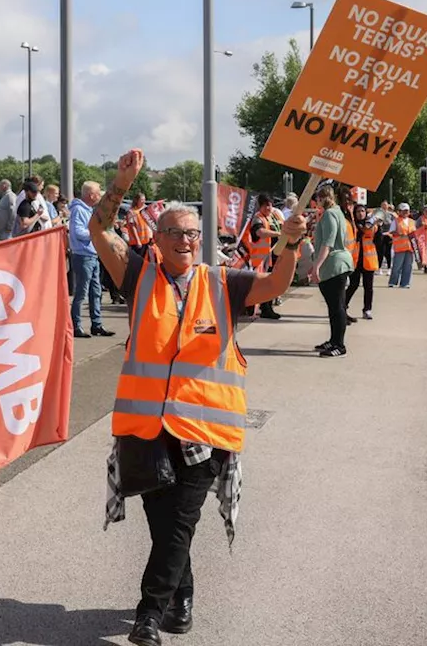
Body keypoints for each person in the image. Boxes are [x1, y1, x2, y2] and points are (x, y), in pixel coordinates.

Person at [92, 149, 306, 646]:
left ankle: (149, 613)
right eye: (175, 233)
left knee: (180, 521)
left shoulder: (222, 282)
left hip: (205, 433)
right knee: (166, 525)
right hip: (145, 431)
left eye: (192, 233)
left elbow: (276, 282)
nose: (185, 240)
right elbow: (100, 232)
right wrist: (120, 183)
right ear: (158, 240)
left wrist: (290, 244)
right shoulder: (137, 274)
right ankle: (182, 597)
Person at [308, 186, 354, 357]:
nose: (316, 203)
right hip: (338, 263)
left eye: (317, 199)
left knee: (336, 307)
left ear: (321, 198)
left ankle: (339, 345)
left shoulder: (329, 214)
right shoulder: (337, 212)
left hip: (334, 264)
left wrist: (316, 267)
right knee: (336, 306)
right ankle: (334, 340)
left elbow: (328, 242)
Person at [68, 181, 115, 339]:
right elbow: (77, 232)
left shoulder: (87, 210)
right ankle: (76, 325)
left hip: (92, 255)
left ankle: (97, 324)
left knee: (96, 291)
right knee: (82, 292)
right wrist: (95, 233)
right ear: (90, 195)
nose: (99, 197)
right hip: (83, 255)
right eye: (97, 194)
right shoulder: (79, 210)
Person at [241, 195, 283, 320]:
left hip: (271, 257)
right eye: (266, 205)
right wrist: (278, 234)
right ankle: (261, 308)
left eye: (270, 205)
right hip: (259, 259)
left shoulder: (273, 217)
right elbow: (259, 232)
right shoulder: (257, 219)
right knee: (259, 285)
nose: (269, 208)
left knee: (269, 284)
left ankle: (266, 307)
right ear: (260, 206)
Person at [345, 203, 379, 320]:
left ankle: (367, 309)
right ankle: (343, 306)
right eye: (358, 211)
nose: (360, 213)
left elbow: (379, 240)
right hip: (355, 260)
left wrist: (376, 223)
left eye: (363, 211)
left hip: (368, 260)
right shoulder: (353, 225)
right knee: (353, 285)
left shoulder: (372, 225)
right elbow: (359, 234)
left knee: (368, 287)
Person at [389, 203, 416, 289]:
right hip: (400, 247)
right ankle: (393, 282)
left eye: (407, 211)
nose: (405, 212)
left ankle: (405, 283)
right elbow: (391, 231)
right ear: (399, 211)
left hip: (410, 247)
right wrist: (399, 233)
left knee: (408, 266)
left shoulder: (412, 221)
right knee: (397, 266)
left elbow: (415, 233)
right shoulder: (396, 221)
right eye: (403, 211)